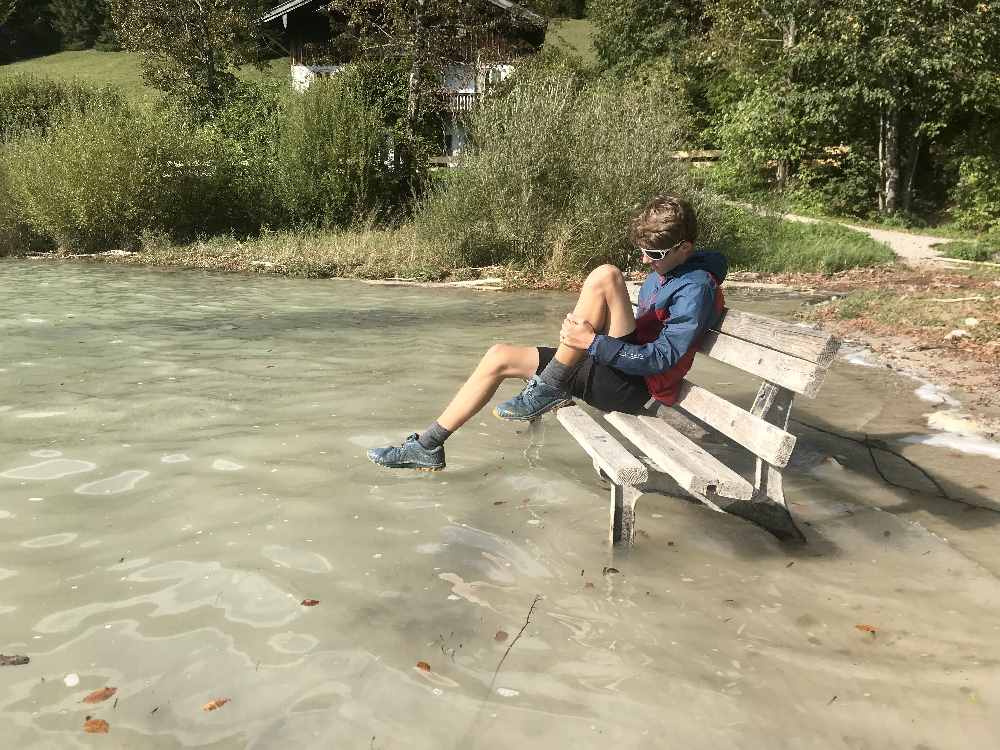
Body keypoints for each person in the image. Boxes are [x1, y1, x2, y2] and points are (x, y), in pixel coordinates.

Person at [367, 195, 727, 471]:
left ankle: (551, 385)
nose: (646, 261)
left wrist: (592, 342)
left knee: (605, 274)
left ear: (685, 249)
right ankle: (427, 447)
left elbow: (662, 357)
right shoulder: (666, 273)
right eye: (642, 251)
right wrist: (585, 337)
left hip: (634, 388)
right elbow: (628, 331)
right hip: (612, 366)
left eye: (656, 253)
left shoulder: (696, 288)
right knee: (498, 355)